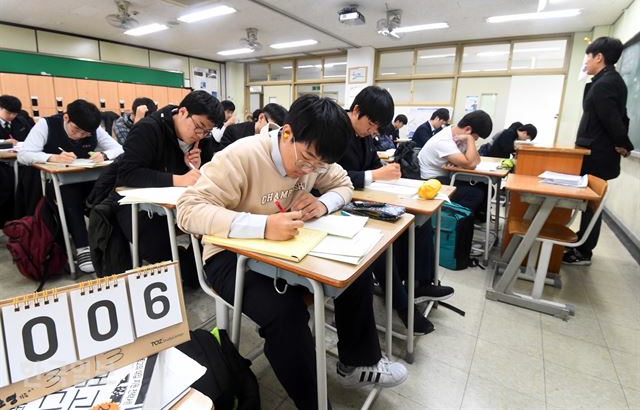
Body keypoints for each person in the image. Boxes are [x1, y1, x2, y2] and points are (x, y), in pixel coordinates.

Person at [176, 94, 407, 409]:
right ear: (286, 133)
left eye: (319, 164)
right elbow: (188, 211)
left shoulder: (315, 157)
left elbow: (343, 185)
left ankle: (358, 360)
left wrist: (322, 203)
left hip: (284, 250)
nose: (309, 170)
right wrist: (263, 226)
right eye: (307, 158)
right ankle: (314, 404)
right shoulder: (240, 157)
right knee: (285, 313)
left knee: (354, 272)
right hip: (227, 257)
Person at [337, 86, 454, 335]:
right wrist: (374, 174)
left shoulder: (365, 134)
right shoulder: (335, 131)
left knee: (417, 222)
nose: (373, 131)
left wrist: (384, 171)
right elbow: (332, 175)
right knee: (382, 241)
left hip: (361, 197)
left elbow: (370, 166)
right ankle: (402, 306)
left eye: (377, 127)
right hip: (341, 203)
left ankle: (420, 283)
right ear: (356, 110)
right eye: (371, 124)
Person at [113, 90, 224, 286]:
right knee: (162, 255)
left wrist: (198, 167)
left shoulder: (202, 139)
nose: (201, 135)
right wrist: (179, 179)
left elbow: (206, 175)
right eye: (198, 127)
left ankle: (199, 270)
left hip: (178, 205)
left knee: (211, 232)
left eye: (207, 131)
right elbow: (127, 173)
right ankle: (193, 270)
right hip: (135, 205)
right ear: (182, 112)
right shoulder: (149, 129)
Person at [18, 99, 124, 273]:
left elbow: (119, 149)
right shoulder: (46, 124)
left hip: (88, 179)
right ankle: (83, 247)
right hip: (58, 182)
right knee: (69, 194)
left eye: (85, 134)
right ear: (66, 117)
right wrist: (52, 158)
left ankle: (107, 242)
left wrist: (104, 154)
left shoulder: (93, 128)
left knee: (106, 193)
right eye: (76, 131)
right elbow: (24, 154)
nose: (80, 136)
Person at [563, 36, 634, 266]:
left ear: (599, 57)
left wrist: (623, 143)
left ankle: (583, 251)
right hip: (596, 151)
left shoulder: (605, 83)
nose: (586, 62)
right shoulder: (607, 80)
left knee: (591, 205)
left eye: (588, 57)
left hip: (597, 154)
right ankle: (582, 245)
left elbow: (613, 120)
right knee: (588, 205)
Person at [418, 110, 493, 216]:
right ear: (468, 129)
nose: (475, 141)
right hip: (431, 181)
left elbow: (477, 160)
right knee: (475, 194)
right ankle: (453, 221)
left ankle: (468, 219)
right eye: (476, 138)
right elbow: (471, 164)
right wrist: (470, 139)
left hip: (445, 176)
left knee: (485, 188)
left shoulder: (456, 132)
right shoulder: (444, 140)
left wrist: (468, 144)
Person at [0, 95, 34, 226]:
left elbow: (32, 138)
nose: (12, 116)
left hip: (20, 162)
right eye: (8, 113)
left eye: (15, 113)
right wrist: (4, 142)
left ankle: (21, 221)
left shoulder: (21, 121)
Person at [220, 103, 287, 148]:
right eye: (271, 128)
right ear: (261, 117)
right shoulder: (233, 131)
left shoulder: (276, 139)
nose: (272, 134)